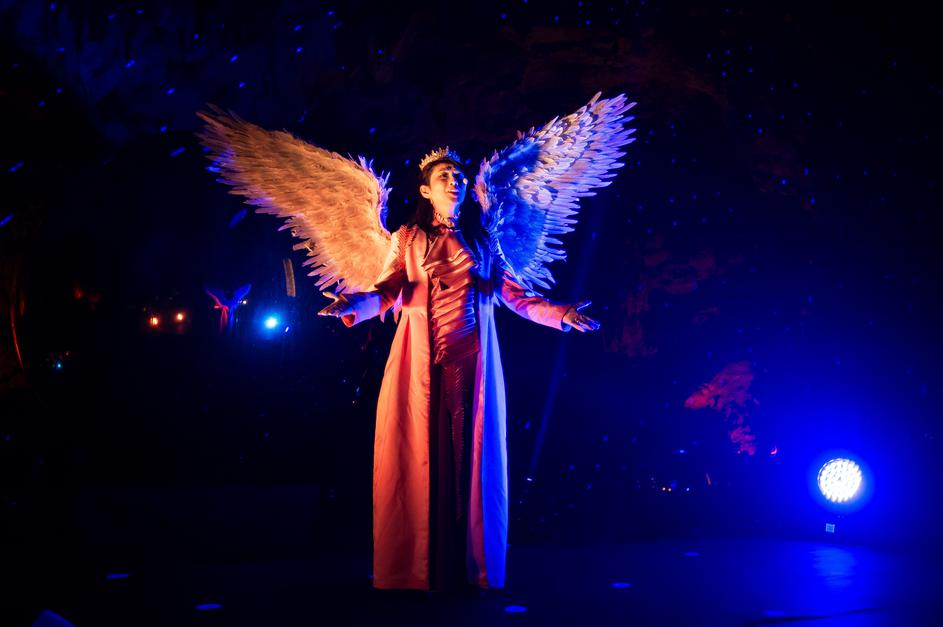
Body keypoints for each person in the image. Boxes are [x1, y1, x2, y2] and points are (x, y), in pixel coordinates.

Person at [318, 150, 599, 591]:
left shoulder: (483, 241)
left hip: (472, 361)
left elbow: (514, 294)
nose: (454, 180)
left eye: (459, 175)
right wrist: (352, 304)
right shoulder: (408, 238)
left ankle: (467, 564)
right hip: (421, 362)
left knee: (468, 457)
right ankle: (419, 566)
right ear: (426, 190)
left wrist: (559, 313)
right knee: (421, 458)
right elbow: (388, 290)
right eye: (444, 176)